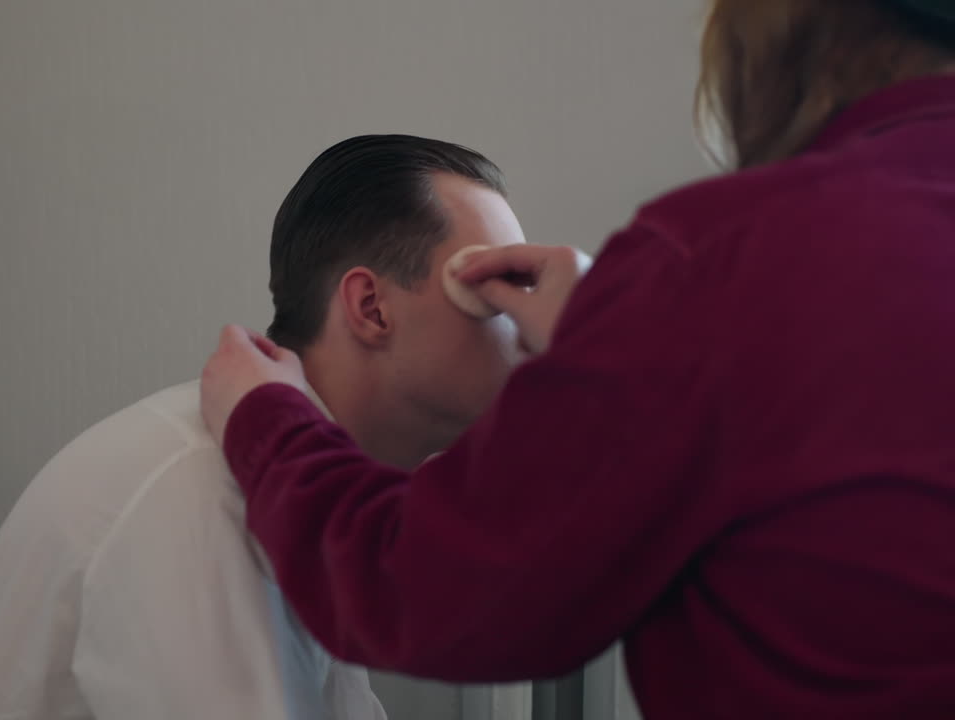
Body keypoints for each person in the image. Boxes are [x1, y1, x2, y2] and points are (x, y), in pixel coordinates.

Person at [198, 1, 955, 718]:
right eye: (482, 282)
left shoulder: (718, 264)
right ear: (371, 307)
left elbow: (418, 592)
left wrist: (271, 428)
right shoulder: (189, 490)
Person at [0, 134, 529, 719]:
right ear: (372, 308)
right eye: (495, 289)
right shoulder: (200, 490)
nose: (531, 327)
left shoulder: (313, 506)